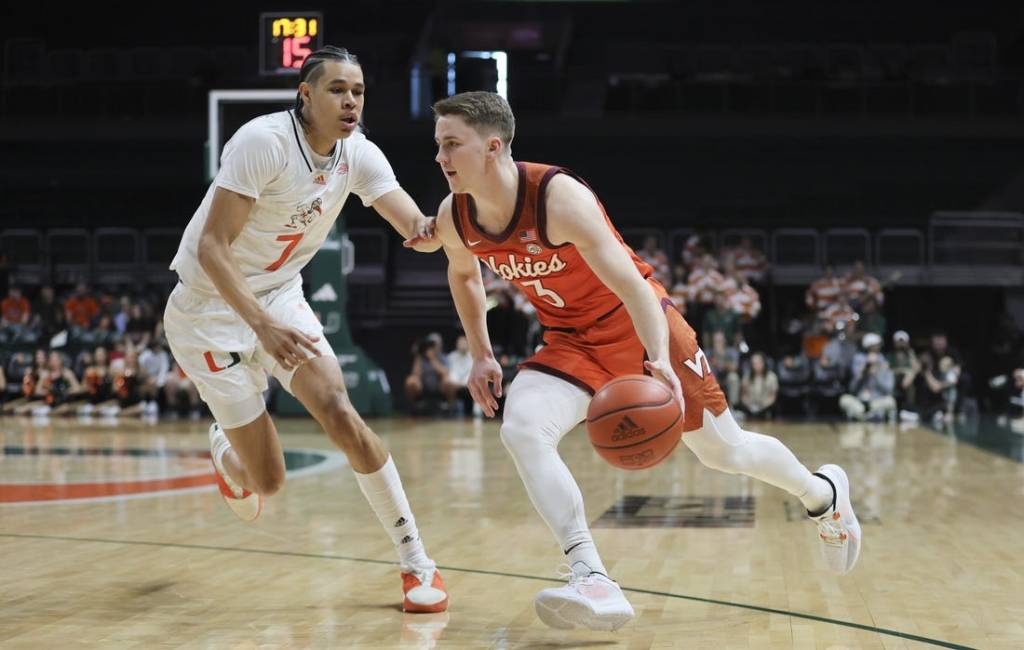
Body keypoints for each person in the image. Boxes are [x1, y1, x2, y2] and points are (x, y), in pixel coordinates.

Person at [430, 91, 860, 631]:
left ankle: (823, 495)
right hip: (572, 341)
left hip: (639, 327)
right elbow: (463, 274)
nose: (441, 158)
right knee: (520, 429)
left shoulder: (558, 198)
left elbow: (635, 288)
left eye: (452, 145)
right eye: (438, 145)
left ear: (493, 147)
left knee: (725, 453)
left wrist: (658, 361)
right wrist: (481, 355)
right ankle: (590, 574)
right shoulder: (455, 215)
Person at [162, 46, 447, 613]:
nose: (351, 101)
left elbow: (414, 225)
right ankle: (227, 449)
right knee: (267, 482)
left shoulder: (358, 154)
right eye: (338, 89)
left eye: (359, 91)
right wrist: (260, 326)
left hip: (279, 296)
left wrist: (450, 224)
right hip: (206, 310)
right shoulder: (261, 143)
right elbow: (213, 249)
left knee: (339, 410)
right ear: (306, 94)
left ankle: (416, 563)